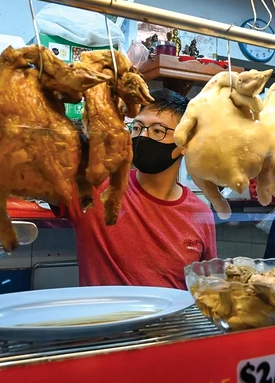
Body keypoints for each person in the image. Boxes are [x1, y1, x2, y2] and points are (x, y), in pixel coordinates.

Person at [62, 88, 217, 289]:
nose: (142, 137)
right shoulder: (95, 188)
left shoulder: (200, 212)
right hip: (106, 318)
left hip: (174, 320)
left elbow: (207, 286)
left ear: (185, 142)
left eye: (158, 131)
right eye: (136, 128)